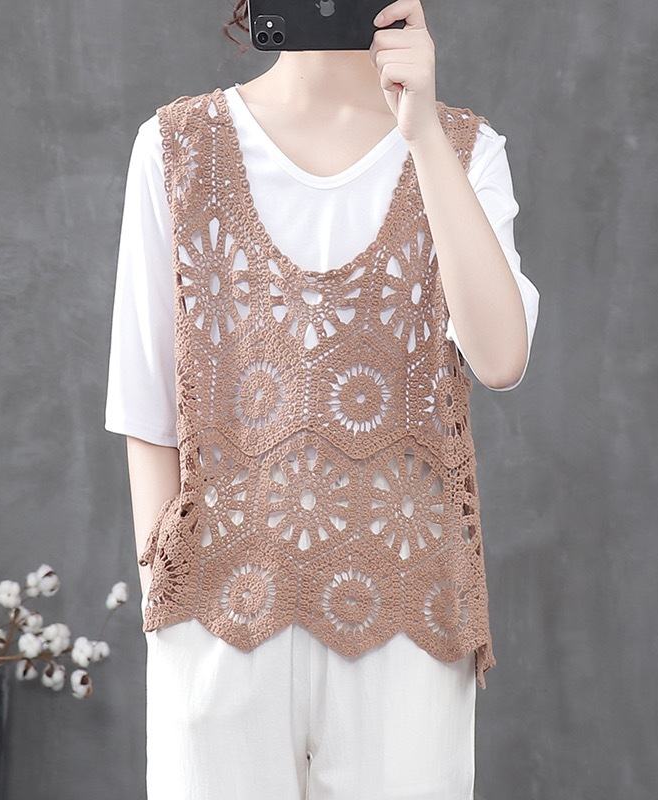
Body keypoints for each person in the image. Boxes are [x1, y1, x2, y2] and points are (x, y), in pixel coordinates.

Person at [105, 0, 540, 797]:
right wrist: (168, 613)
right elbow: (147, 400)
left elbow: (501, 357)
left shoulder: (462, 151)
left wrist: (422, 135)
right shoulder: (177, 145)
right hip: (216, 615)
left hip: (409, 613)